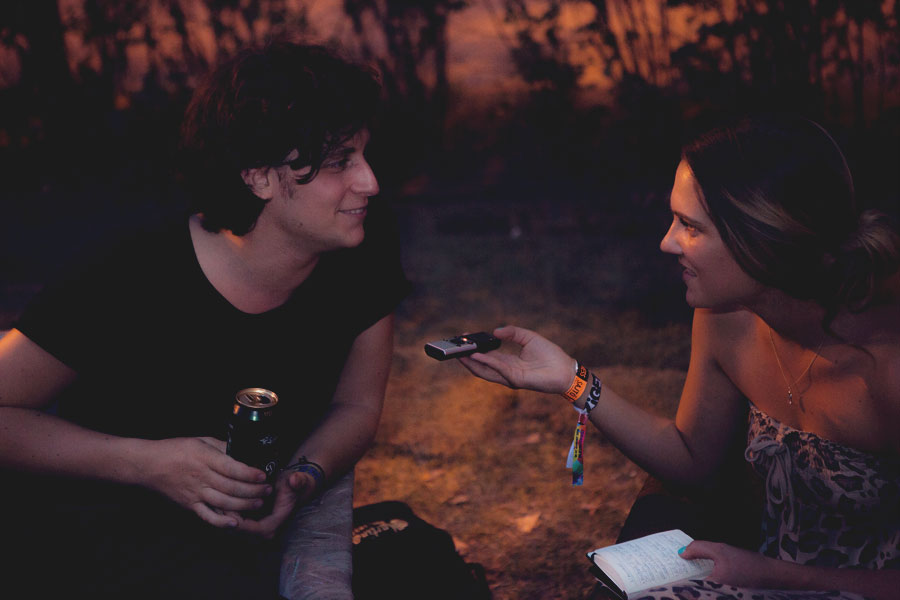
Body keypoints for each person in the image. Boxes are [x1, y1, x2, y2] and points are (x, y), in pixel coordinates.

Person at [0, 40, 410, 599]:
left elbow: (356, 405)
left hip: (233, 554)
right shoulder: (126, 272)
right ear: (258, 176)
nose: (370, 182)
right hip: (88, 546)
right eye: (340, 162)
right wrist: (147, 463)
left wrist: (303, 477)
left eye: (363, 154)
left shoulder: (363, 243)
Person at [459, 114, 900, 600]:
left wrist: (773, 576)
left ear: (763, 237)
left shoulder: (886, 367)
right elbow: (691, 459)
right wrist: (572, 379)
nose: (666, 242)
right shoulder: (726, 318)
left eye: (690, 226)